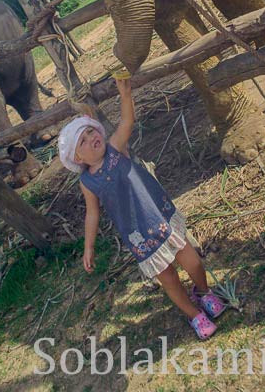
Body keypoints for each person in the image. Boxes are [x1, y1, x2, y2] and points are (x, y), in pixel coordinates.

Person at [58, 77, 227, 341]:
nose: (91, 137)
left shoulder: (115, 149)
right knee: (168, 278)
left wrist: (126, 94)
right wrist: (88, 246)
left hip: (161, 217)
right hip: (139, 235)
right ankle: (194, 315)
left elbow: (127, 123)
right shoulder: (87, 182)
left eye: (91, 131)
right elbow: (92, 213)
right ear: (77, 158)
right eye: (83, 140)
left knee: (191, 260)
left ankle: (203, 291)